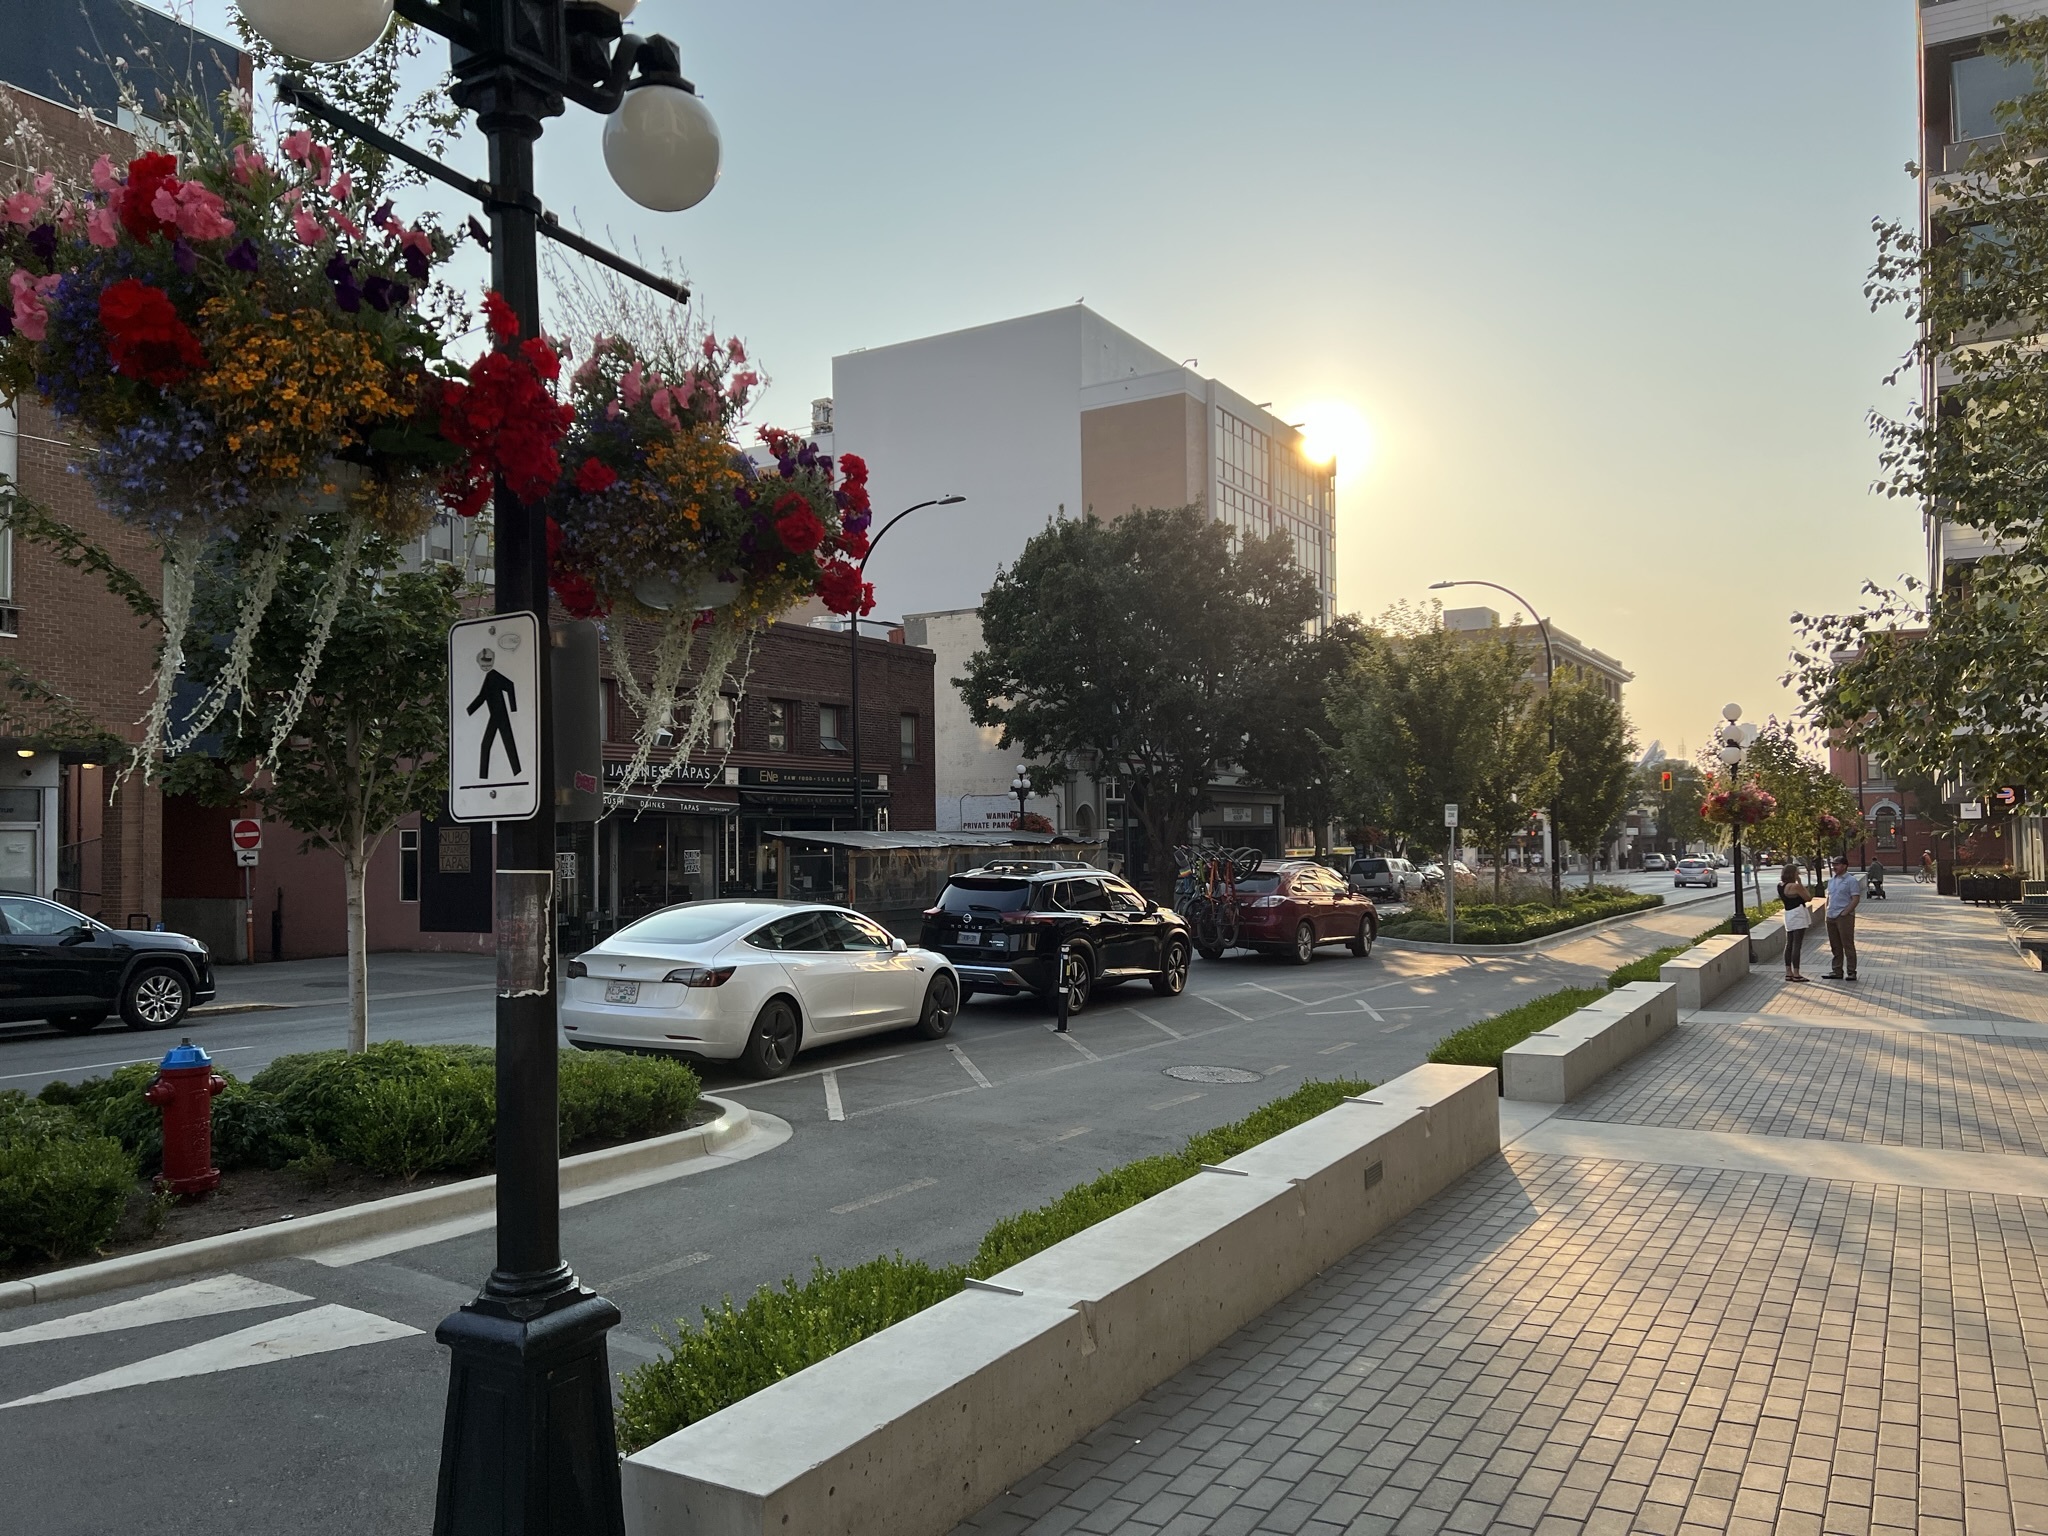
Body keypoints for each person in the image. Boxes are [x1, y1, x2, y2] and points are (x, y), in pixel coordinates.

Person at [1824, 855, 1862, 981]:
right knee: (1835, 945)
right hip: (1831, 915)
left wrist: (1845, 912)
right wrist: (1827, 910)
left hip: (1843, 916)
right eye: (1833, 864)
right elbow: (1829, 897)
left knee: (1847, 944)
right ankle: (1837, 970)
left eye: (1837, 864)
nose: (1834, 867)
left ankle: (1851, 971)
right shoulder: (1831, 880)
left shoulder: (1851, 880)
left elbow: (1855, 898)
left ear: (1844, 866)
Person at [1777, 863, 1813, 981]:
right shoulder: (1795, 886)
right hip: (1798, 913)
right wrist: (1800, 882)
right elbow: (1808, 897)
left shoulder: (1780, 885)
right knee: (1797, 944)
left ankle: (1788, 972)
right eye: (1797, 872)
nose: (1798, 873)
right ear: (1793, 873)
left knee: (1789, 943)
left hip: (1788, 914)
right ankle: (1796, 973)